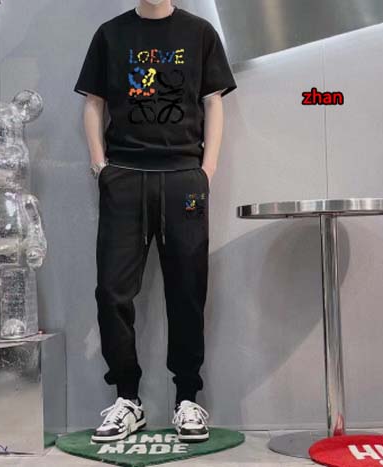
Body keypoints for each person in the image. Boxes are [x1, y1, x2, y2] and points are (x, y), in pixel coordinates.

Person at [74, 0, 237, 444]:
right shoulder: (110, 34)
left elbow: (213, 102)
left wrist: (206, 171)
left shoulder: (199, 33)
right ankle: (127, 399)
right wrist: (100, 168)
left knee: (188, 289)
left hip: (184, 177)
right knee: (112, 291)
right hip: (124, 176)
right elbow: (93, 103)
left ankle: (187, 398)